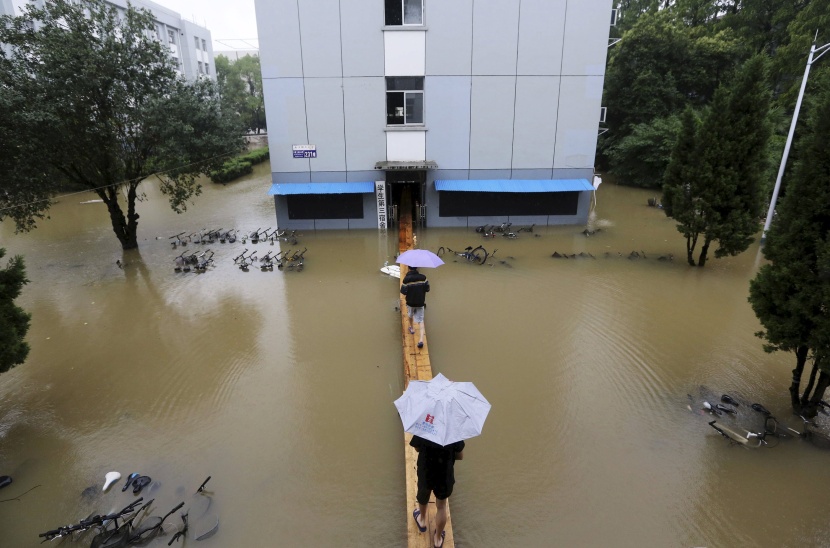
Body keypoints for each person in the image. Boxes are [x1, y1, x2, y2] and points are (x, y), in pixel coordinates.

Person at [410, 435, 464, 548]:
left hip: (426, 471)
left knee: (423, 496)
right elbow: (460, 456)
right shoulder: (454, 433)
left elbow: (417, 448)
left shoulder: (425, 429)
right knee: (441, 506)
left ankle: (422, 520)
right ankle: (438, 539)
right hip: (444, 475)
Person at [400, 266, 430, 348]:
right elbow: (427, 289)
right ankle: (421, 340)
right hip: (420, 302)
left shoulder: (406, 279)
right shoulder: (423, 278)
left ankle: (412, 328)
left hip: (410, 302)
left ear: (409, 268)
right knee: (420, 320)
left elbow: (403, 291)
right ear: (417, 268)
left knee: (410, 315)